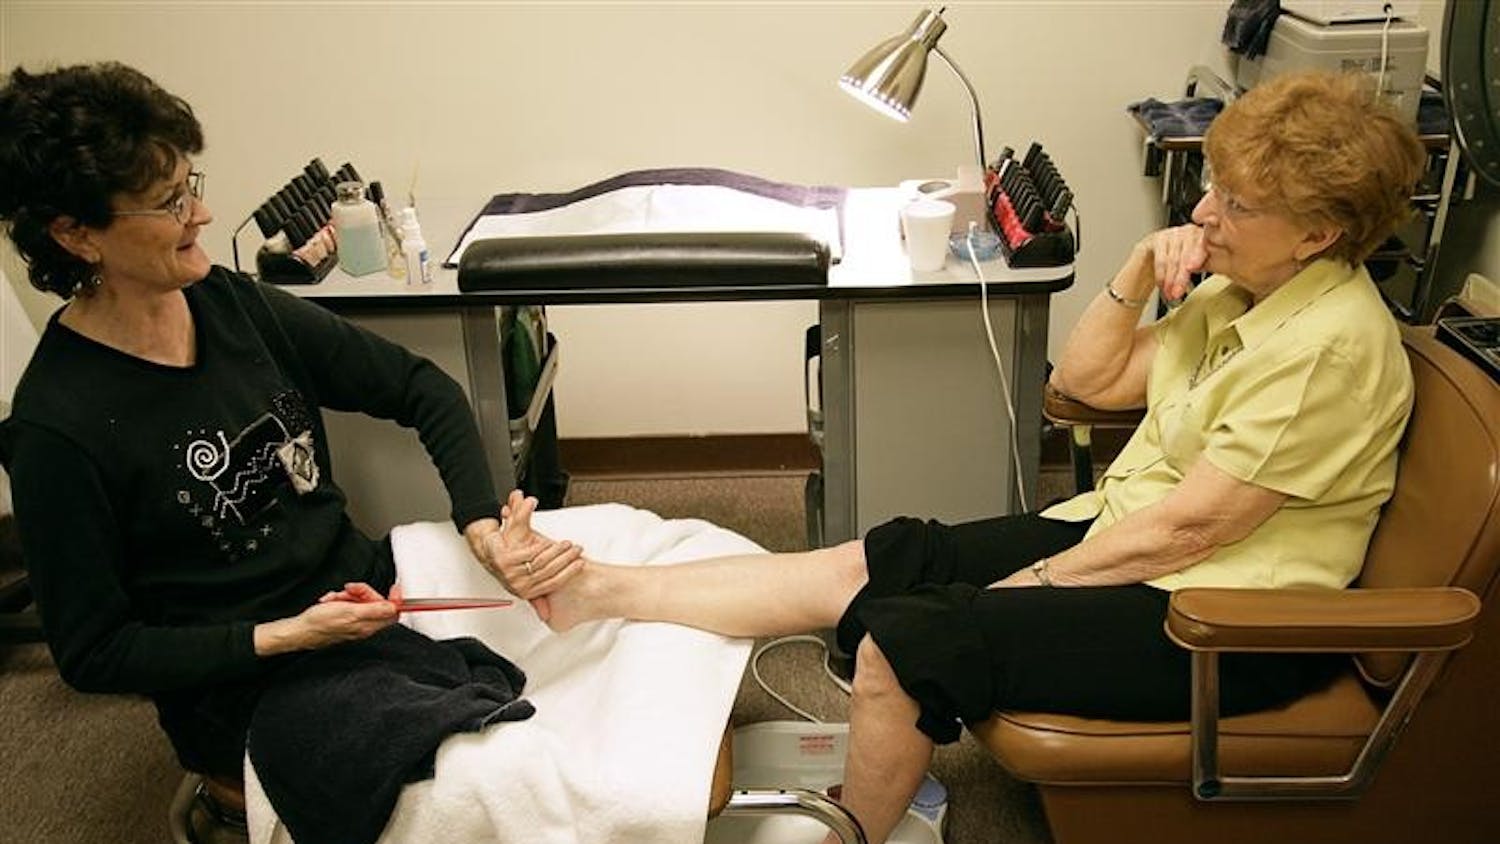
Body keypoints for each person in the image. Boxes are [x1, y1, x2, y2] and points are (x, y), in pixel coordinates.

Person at [488, 70, 1426, 844]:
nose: (1206, 211)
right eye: (1211, 186)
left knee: (908, 644)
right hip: (1129, 532)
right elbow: (1088, 383)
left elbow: (1191, 532)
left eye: (1238, 205)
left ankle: (851, 834)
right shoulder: (1239, 289)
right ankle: (597, 592)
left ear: (1319, 234)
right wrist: (1140, 265)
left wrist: (1033, 585)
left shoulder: (1328, 347)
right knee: (885, 557)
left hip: (1222, 619)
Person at [0, 62, 570, 784]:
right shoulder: (56, 429)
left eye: (189, 186)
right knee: (512, 766)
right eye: (170, 203)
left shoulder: (230, 305)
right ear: (77, 235)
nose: (201, 214)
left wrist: (481, 526)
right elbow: (95, 654)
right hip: (251, 684)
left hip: (360, 596)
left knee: (616, 569)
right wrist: (285, 636)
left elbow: (420, 387)